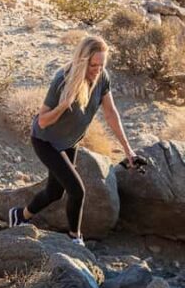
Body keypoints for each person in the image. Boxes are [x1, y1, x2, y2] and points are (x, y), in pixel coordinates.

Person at [8, 35, 138, 245]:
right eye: (93, 64)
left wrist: (128, 150)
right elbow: (42, 121)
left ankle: (20, 215)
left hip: (69, 142)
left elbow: (111, 113)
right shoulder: (62, 80)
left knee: (54, 192)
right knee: (77, 190)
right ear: (83, 61)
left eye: (101, 64)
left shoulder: (102, 77)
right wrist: (61, 107)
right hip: (46, 141)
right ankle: (75, 239)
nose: (97, 69)